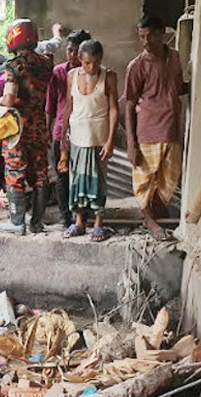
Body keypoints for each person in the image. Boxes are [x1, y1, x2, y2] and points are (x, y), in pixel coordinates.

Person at [125, 16, 188, 241]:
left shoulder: (175, 57)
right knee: (144, 181)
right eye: (142, 36)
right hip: (148, 131)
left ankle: (151, 216)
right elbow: (130, 103)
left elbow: (177, 87)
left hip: (171, 128)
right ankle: (150, 221)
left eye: (150, 35)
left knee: (168, 179)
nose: (146, 41)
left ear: (162, 33)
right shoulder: (137, 65)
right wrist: (131, 144)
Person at [0, 19, 54, 235]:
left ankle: (16, 222)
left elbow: (10, 99)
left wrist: (2, 102)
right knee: (40, 173)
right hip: (39, 126)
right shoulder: (46, 63)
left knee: (15, 172)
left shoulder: (14, 66)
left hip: (17, 129)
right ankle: (37, 223)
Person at [58, 39, 118, 242]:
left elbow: (113, 109)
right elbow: (69, 107)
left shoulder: (108, 77)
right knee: (78, 179)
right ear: (79, 60)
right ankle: (80, 222)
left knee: (98, 180)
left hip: (98, 138)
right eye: (86, 63)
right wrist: (62, 140)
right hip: (77, 137)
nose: (91, 67)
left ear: (100, 59)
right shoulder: (71, 76)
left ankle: (99, 223)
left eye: (94, 62)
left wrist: (110, 140)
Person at [46, 29, 92, 227]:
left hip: (85, 130)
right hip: (61, 131)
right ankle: (65, 217)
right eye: (69, 50)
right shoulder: (58, 72)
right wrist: (48, 131)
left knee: (86, 175)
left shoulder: (93, 73)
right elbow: (51, 104)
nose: (72, 55)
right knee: (62, 176)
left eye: (76, 51)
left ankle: (84, 216)